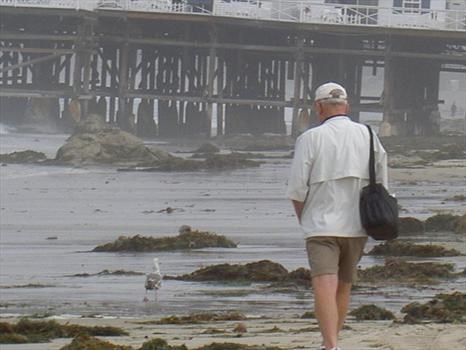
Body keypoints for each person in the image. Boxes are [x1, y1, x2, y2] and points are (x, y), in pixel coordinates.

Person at [287, 82, 388, 350]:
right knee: (344, 286)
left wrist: (304, 220)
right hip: (357, 224)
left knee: (323, 285)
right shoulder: (368, 134)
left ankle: (330, 345)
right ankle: (332, 342)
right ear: (347, 106)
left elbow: (297, 190)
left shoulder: (310, 138)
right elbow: (382, 182)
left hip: (320, 226)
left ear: (318, 107)